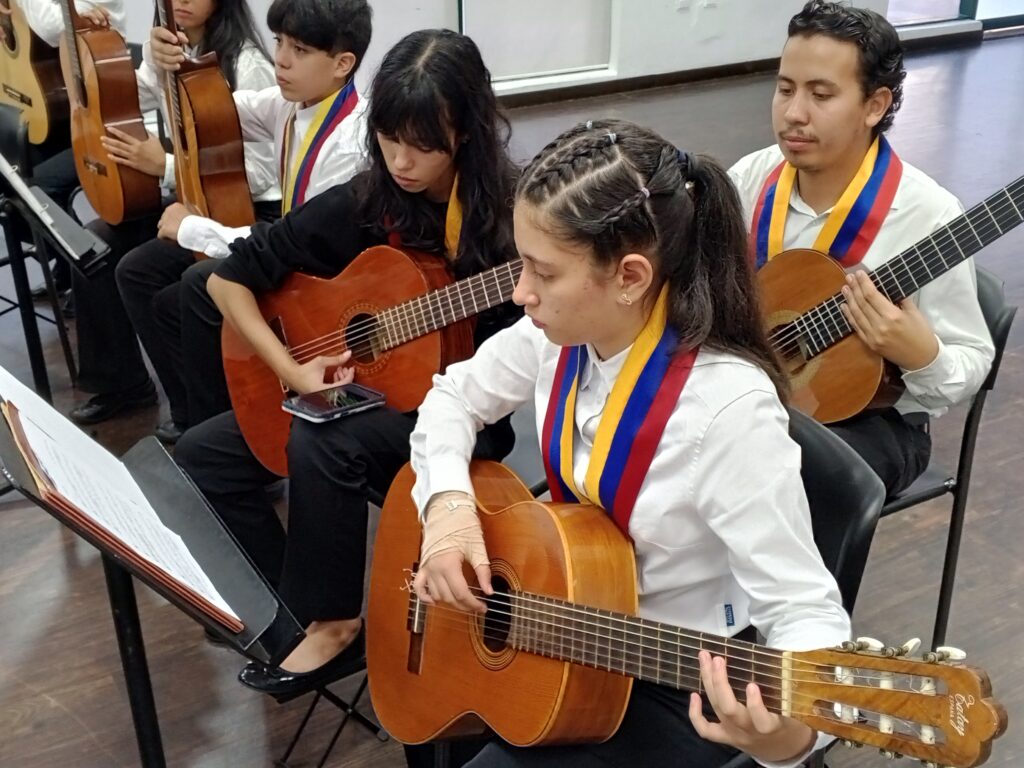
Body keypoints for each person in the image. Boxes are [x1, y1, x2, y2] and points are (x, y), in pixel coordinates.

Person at [409, 119, 850, 768]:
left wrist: (791, 738)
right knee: (426, 713)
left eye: (542, 271)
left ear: (630, 277)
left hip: (667, 676)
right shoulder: (558, 336)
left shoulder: (728, 411)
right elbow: (451, 398)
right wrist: (447, 510)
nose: (519, 292)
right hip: (561, 609)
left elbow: (806, 611)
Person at [174, 29, 521, 700]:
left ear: (467, 134)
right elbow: (225, 281)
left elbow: (509, 374)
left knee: (324, 437)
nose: (402, 160)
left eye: (423, 144)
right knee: (199, 458)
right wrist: (293, 369)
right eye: (390, 138)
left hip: (458, 416)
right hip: (347, 393)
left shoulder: (506, 230)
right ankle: (293, 602)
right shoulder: (370, 200)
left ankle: (337, 623)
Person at [729, 0, 994, 496]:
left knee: (779, 478)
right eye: (785, 89)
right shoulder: (752, 178)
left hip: (876, 420)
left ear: (875, 105)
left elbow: (973, 357)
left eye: (820, 94)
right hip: (756, 386)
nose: (793, 113)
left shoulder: (930, 216)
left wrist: (921, 355)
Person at [116, 0, 373, 443]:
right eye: (279, 42)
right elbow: (204, 113)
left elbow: (293, 246)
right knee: (155, 287)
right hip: (290, 244)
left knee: (198, 288)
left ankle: (231, 438)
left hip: (323, 277)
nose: (281, 59)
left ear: (342, 64)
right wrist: (166, 68)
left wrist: (192, 226)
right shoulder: (291, 102)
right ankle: (204, 420)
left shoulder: (350, 146)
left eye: (300, 49)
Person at [68, 0, 277, 426]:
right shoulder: (165, 45)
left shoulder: (246, 63)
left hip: (240, 207)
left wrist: (163, 165)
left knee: (137, 270)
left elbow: (265, 170)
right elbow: (126, 97)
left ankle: (194, 410)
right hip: (188, 194)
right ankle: (123, 384)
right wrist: (87, 37)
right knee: (93, 246)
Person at [0, 0, 127, 306]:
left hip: (100, 111)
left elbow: (54, 26)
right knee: (10, 187)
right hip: (52, 100)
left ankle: (87, 276)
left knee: (37, 190)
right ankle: (67, 266)